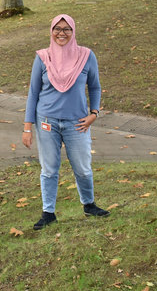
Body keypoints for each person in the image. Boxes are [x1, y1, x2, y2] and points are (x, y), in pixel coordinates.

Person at [22, 13, 109, 230]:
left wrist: (94, 113)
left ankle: (89, 205)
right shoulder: (43, 57)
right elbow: (33, 93)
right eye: (57, 29)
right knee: (49, 169)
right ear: (51, 31)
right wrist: (27, 127)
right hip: (47, 122)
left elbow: (95, 87)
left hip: (77, 123)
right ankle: (48, 213)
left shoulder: (86, 56)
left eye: (66, 29)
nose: (61, 33)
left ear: (73, 31)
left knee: (83, 168)